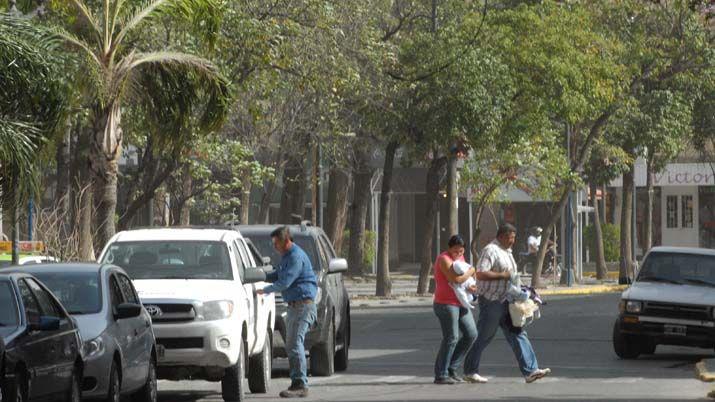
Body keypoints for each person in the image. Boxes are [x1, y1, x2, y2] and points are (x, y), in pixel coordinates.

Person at [463, 223, 551, 384]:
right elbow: (481, 273)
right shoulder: (491, 250)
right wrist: (502, 275)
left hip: (506, 301)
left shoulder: (507, 252)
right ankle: (470, 370)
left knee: (517, 333)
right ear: (501, 236)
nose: (512, 241)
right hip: (491, 301)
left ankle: (531, 370)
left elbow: (512, 276)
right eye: (510, 238)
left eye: (514, 238)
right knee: (484, 336)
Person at [257, 226, 318, 398]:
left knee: (295, 344)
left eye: (276, 243)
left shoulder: (295, 257)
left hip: (303, 306)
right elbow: (277, 274)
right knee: (291, 345)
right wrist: (259, 276)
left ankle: (300, 384)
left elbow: (285, 282)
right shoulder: (286, 257)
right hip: (294, 306)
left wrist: (265, 290)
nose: (274, 246)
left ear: (285, 241)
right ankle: (296, 382)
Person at [432, 235, 478, 385]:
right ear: (449, 248)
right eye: (455, 251)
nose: (458, 254)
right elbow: (455, 279)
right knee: (451, 338)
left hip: (460, 302)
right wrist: (471, 271)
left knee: (471, 334)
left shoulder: (461, 258)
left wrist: (471, 287)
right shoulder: (443, 259)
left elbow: (463, 283)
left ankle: (452, 367)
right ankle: (441, 374)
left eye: (461, 251)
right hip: (446, 304)